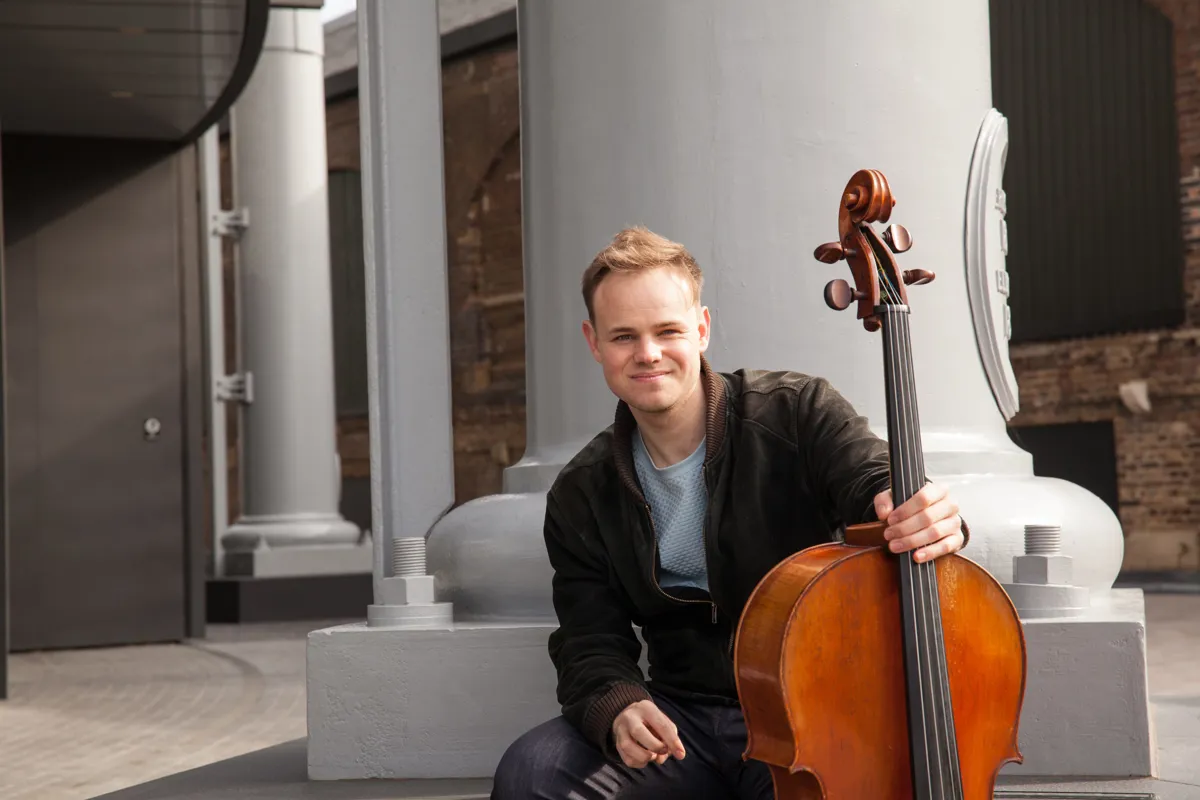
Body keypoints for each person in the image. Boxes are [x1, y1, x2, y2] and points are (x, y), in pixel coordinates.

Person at [491, 226, 968, 799]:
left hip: (805, 714)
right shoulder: (581, 493)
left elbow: (873, 481)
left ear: (701, 328)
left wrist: (918, 507)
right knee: (532, 776)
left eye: (667, 330)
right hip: (680, 727)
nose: (647, 353)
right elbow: (589, 639)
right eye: (624, 336)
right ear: (594, 343)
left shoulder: (797, 411)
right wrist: (620, 705)